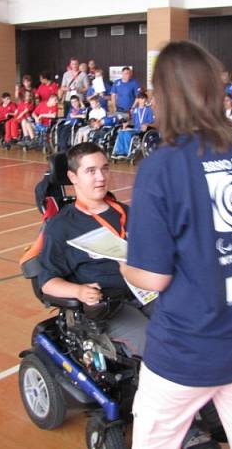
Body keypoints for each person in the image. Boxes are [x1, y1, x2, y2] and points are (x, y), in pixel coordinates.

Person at [120, 40, 232, 449]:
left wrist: (125, 266)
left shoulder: (161, 166)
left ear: (164, 96)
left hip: (187, 347)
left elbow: (155, 277)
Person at [38, 142, 150, 358]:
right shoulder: (62, 226)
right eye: (91, 171)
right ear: (73, 177)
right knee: (157, 345)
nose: (101, 177)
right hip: (110, 306)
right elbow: (47, 282)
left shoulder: (125, 212)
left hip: (146, 292)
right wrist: (79, 292)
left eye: (105, 168)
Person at [111, 92, 153, 159]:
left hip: (142, 130)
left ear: (146, 99)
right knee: (121, 132)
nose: (142, 100)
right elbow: (133, 121)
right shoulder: (136, 110)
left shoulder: (148, 110)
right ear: (138, 100)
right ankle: (119, 151)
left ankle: (126, 152)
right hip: (135, 128)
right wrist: (127, 124)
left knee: (127, 134)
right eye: (140, 99)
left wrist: (146, 124)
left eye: (144, 99)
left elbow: (151, 121)